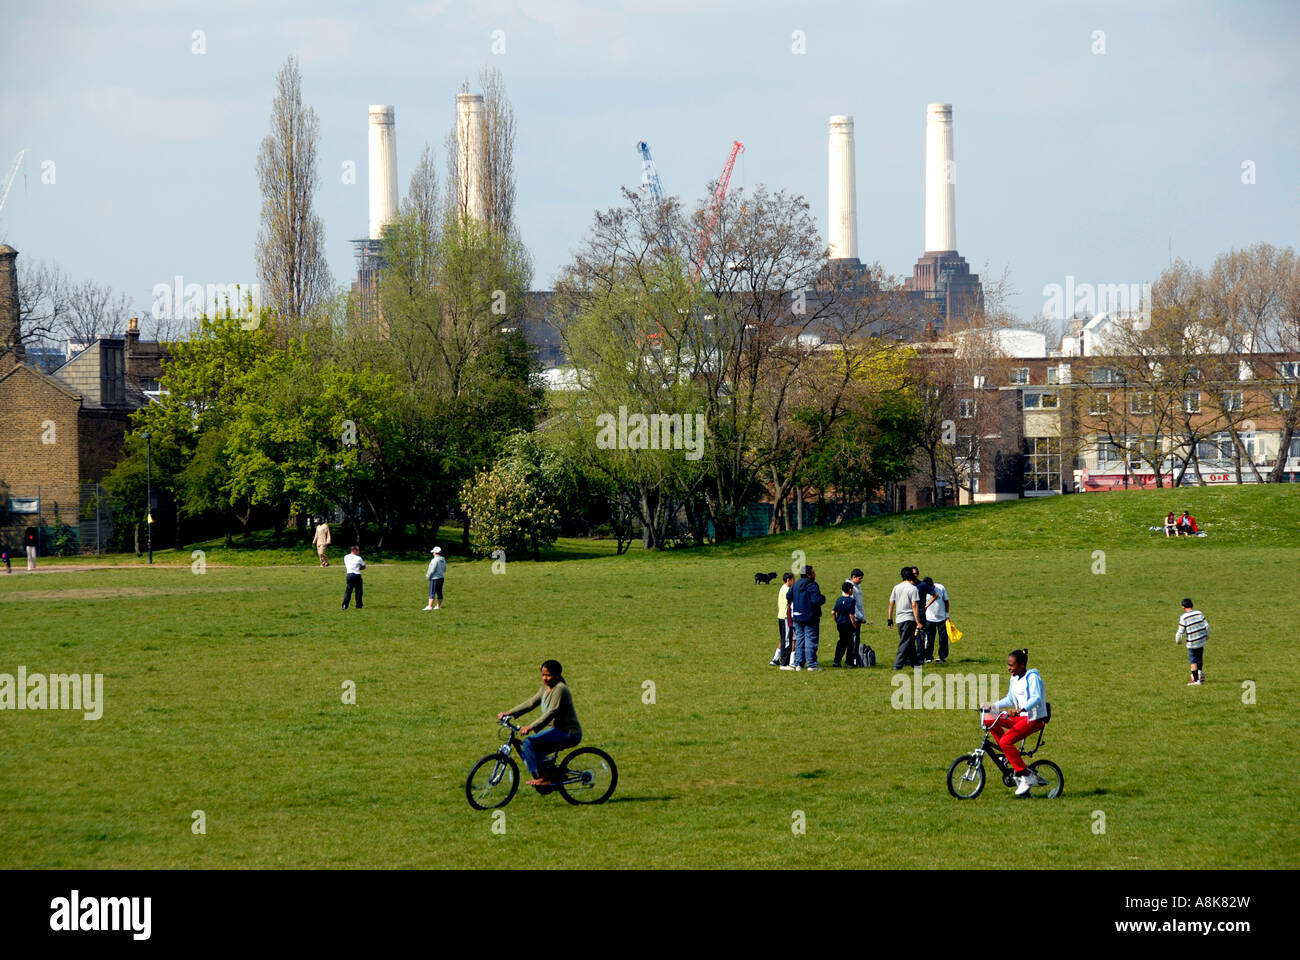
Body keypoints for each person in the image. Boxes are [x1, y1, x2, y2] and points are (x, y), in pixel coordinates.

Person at [499, 660, 582, 786]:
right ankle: (556, 774)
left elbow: (551, 713)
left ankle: (544, 777)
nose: (545, 678)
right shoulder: (545, 688)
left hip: (569, 733)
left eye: (548, 675)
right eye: (543, 675)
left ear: (557, 675)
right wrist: (508, 713)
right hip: (558, 731)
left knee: (529, 742)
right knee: (535, 747)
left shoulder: (560, 689)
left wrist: (531, 727)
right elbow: (531, 703)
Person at [980, 648, 1050, 797]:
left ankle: (1026, 775)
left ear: (1022, 665)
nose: (1008, 668)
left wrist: (1020, 709)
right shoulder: (1014, 678)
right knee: (989, 718)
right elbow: (1010, 699)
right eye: (1008, 664)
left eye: (1011, 665)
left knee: (1006, 741)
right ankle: (1007, 754)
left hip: (1033, 718)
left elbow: (1036, 698)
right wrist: (992, 706)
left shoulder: (1032, 678)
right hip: (1020, 718)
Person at [789, 565, 826, 671]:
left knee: (800, 640)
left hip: (797, 616)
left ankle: (798, 664)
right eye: (813, 572)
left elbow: (788, 596)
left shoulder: (795, 585)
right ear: (809, 574)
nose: (815, 574)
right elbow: (816, 600)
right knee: (811, 639)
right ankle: (811, 665)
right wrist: (822, 598)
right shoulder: (812, 585)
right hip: (810, 617)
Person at [886, 567, 923, 669]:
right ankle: (897, 665)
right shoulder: (913, 588)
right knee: (905, 642)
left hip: (899, 619)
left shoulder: (896, 587)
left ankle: (916, 666)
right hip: (909, 619)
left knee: (910, 643)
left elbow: (891, 604)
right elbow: (914, 605)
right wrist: (918, 622)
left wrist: (890, 618)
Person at [1175, 597, 1210, 685]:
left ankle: (1196, 680)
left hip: (1192, 642)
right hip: (1201, 640)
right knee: (1200, 657)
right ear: (1192, 605)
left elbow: (1180, 631)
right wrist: (1207, 636)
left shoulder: (1183, 617)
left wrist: (1178, 641)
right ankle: (1200, 672)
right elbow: (1207, 626)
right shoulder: (1199, 613)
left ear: (1183, 607)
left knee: (1193, 661)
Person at [922, 576, 951, 664]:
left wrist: (947, 615)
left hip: (942, 618)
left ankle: (942, 657)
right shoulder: (923, 591)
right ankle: (928, 656)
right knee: (930, 639)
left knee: (943, 639)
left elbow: (946, 601)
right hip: (929, 618)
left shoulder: (941, 587)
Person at [831, 581, 858, 667]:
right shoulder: (852, 600)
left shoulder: (839, 599)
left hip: (840, 624)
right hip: (848, 624)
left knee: (841, 642)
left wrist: (836, 620)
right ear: (850, 590)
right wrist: (854, 625)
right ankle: (849, 662)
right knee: (850, 643)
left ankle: (836, 660)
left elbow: (832, 612)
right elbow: (851, 615)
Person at [772, 572, 795, 667]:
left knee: (783, 639)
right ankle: (784, 663)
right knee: (787, 640)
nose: (795, 581)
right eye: (793, 579)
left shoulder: (783, 588)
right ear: (788, 580)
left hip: (781, 616)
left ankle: (776, 659)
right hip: (785, 617)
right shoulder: (787, 590)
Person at [850, 569, 866, 667]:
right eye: (859, 578)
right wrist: (860, 617)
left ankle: (855, 658)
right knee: (854, 639)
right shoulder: (850, 587)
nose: (861, 580)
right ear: (853, 577)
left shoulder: (858, 586)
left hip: (859, 617)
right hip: (854, 618)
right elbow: (852, 606)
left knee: (857, 638)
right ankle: (853, 659)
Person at [341, 546, 365, 610]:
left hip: (349, 575)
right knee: (358, 591)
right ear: (355, 550)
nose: (358, 552)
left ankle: (345, 605)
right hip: (357, 575)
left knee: (348, 591)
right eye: (358, 550)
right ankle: (359, 605)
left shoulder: (346, 557)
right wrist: (358, 568)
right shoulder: (358, 558)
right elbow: (364, 566)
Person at [423, 546, 446, 611]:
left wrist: (428, 576)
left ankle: (430, 606)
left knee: (432, 592)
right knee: (439, 592)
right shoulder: (443, 560)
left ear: (435, 553)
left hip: (434, 578)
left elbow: (432, 569)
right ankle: (438, 606)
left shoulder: (434, 560)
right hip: (441, 577)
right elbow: (444, 569)